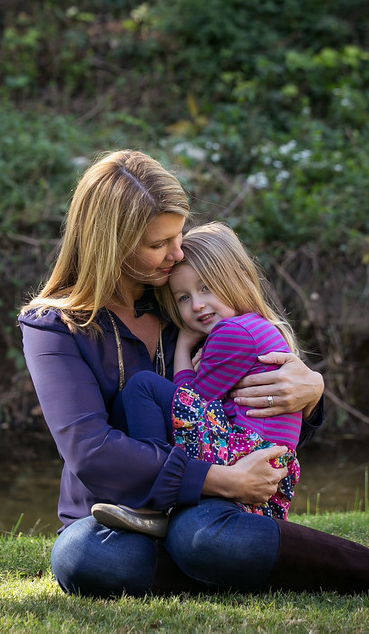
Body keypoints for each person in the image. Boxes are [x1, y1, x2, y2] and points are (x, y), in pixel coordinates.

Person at [18, 149, 369, 603]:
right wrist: (221, 480)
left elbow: (250, 423)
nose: (176, 252)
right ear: (113, 243)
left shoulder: (184, 306)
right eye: (158, 244)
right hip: (116, 515)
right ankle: (237, 562)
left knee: (199, 535)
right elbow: (92, 452)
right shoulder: (55, 326)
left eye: (178, 236)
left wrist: (310, 394)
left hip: (197, 514)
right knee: (85, 556)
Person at [94, 221, 304, 533]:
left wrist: (183, 344)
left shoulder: (232, 333)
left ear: (233, 279)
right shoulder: (257, 327)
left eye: (206, 287)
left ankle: (150, 502)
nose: (197, 305)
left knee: (143, 387)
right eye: (183, 297)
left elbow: (189, 402)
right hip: (268, 463)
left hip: (245, 452)